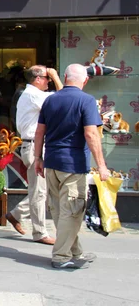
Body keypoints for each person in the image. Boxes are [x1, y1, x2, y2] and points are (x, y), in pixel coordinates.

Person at [34, 63, 110, 269]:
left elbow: (39, 132)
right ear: (84, 80)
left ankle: (75, 252)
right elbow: (91, 134)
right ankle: (61, 256)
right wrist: (102, 165)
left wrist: (38, 159)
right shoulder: (86, 101)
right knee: (73, 212)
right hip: (74, 164)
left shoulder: (50, 100)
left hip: (52, 161)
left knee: (60, 211)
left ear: (65, 77)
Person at [5, 65, 63, 245]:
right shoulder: (32, 95)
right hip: (33, 146)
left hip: (35, 145)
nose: (49, 81)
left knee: (42, 190)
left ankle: (16, 214)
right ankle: (39, 232)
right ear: (37, 79)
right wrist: (56, 77)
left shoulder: (31, 94)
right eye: (46, 78)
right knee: (39, 191)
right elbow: (63, 98)